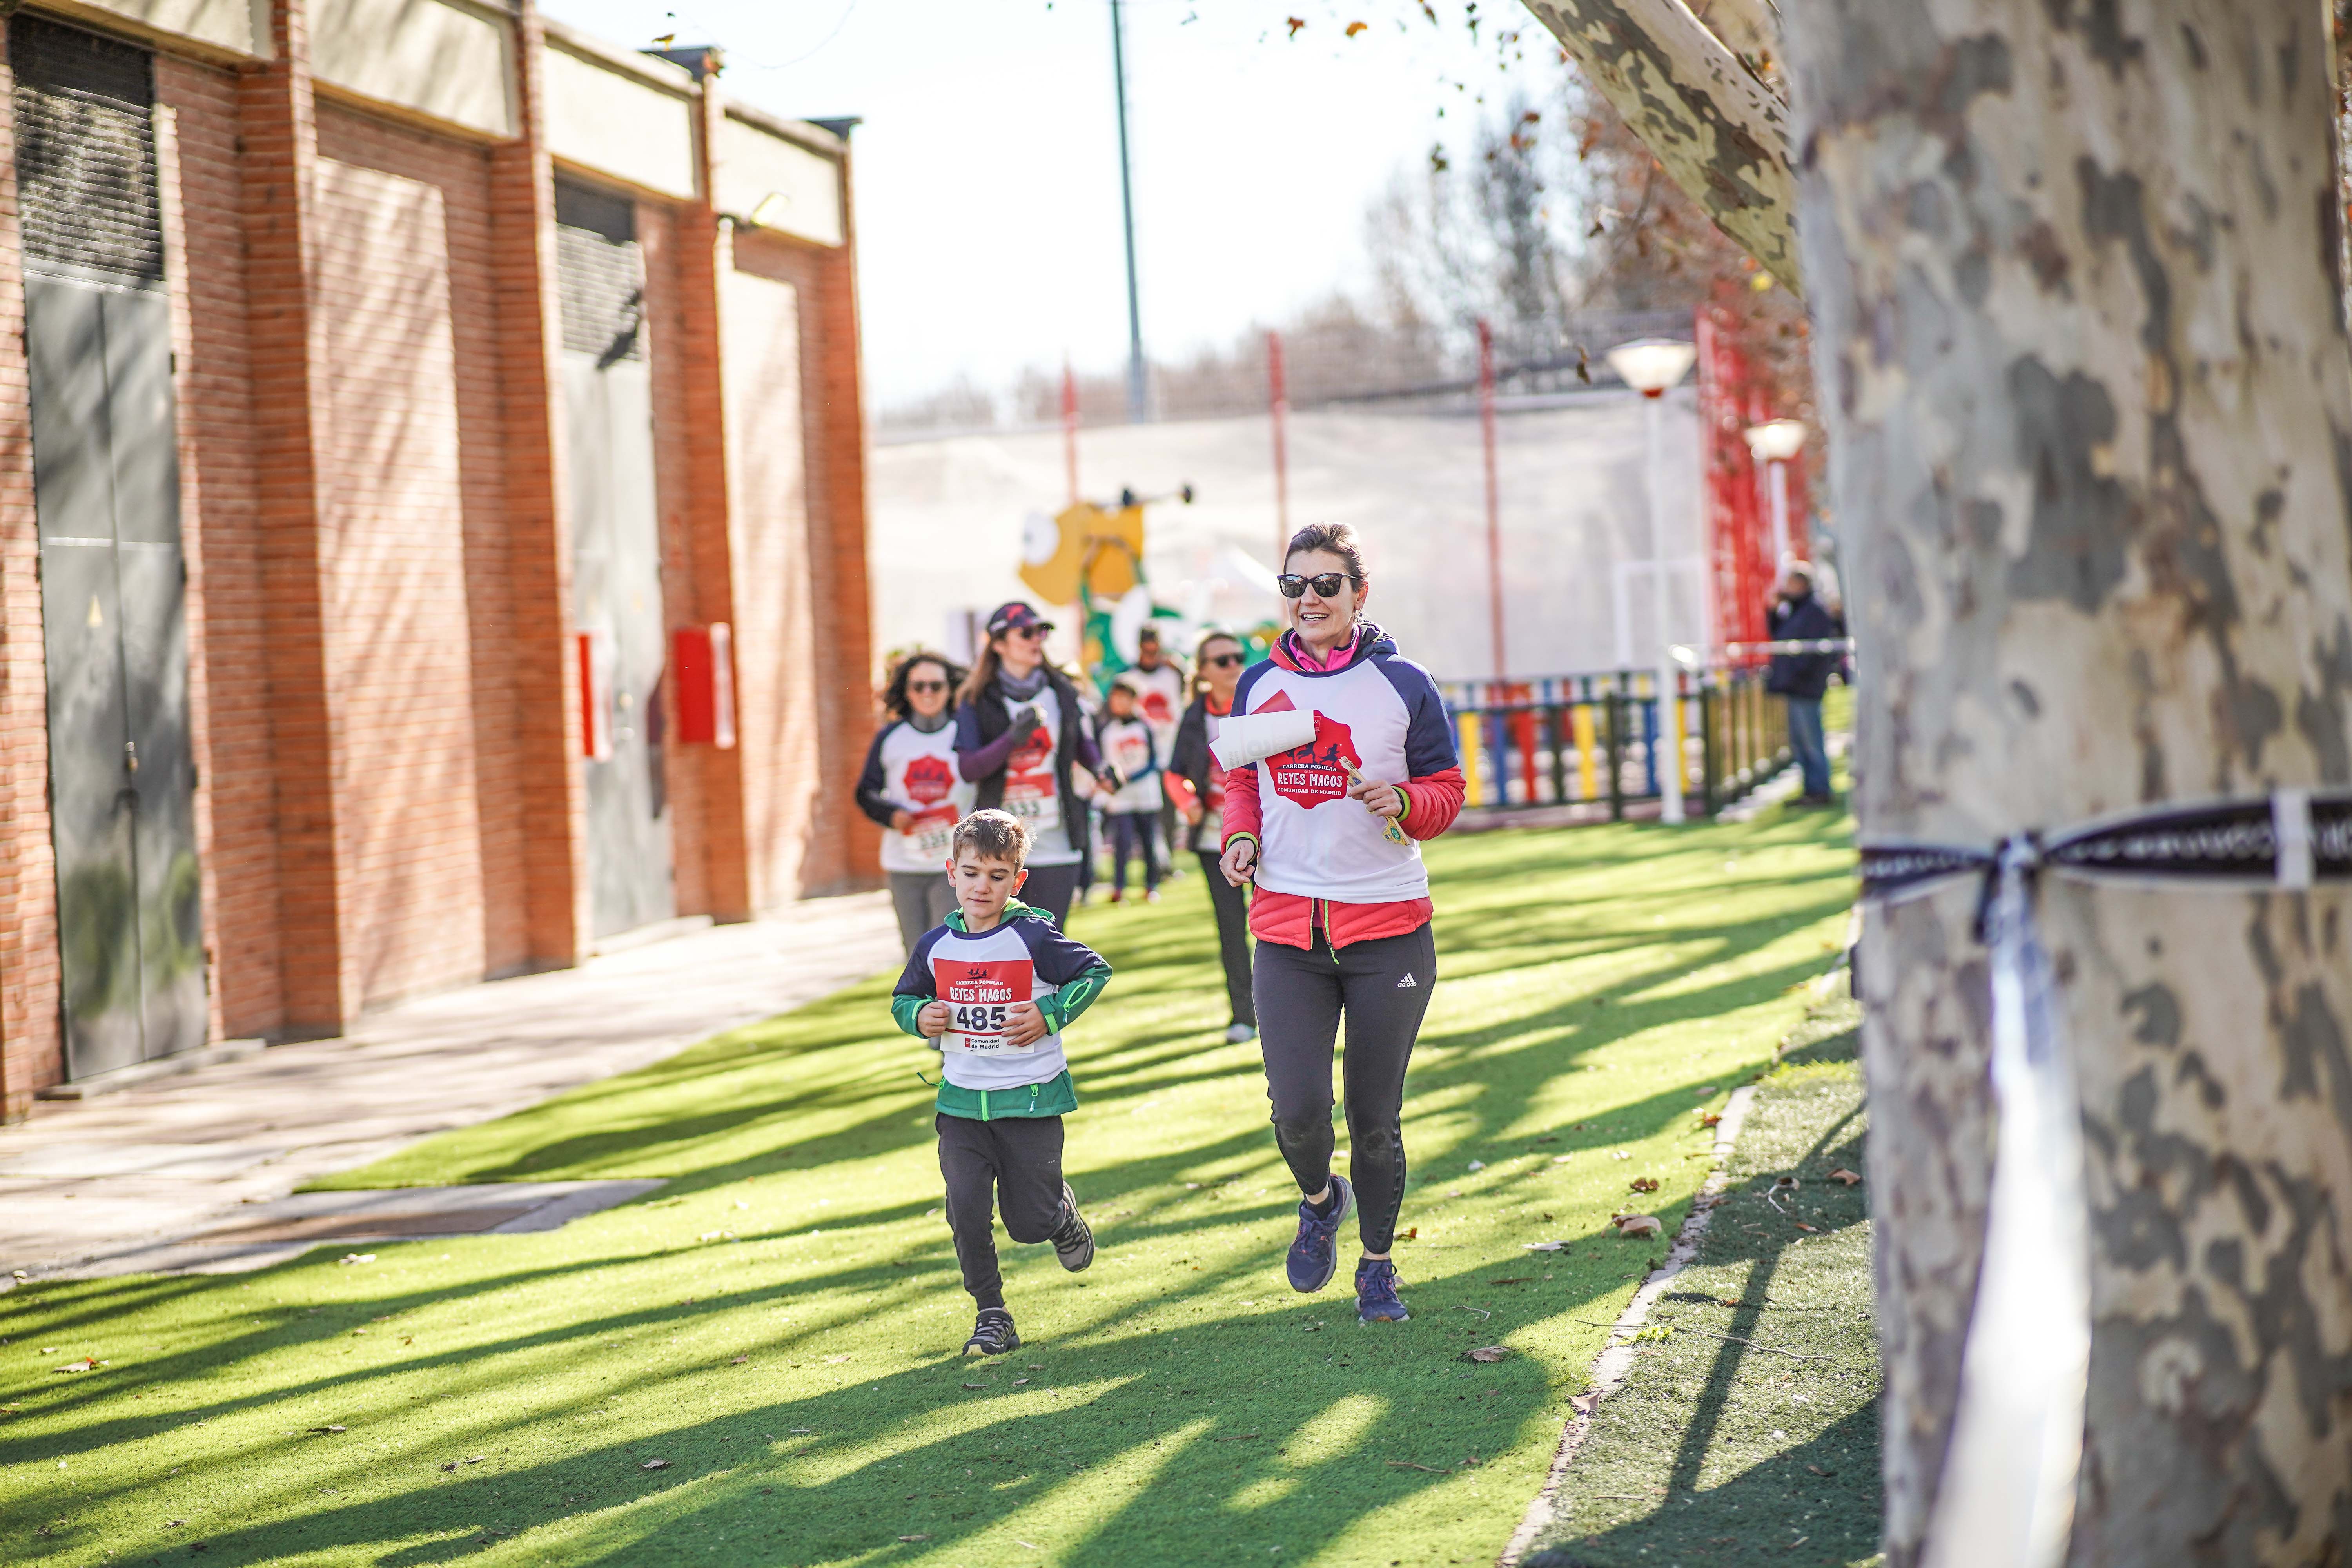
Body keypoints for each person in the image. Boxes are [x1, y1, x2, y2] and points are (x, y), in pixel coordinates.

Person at [1218, 522, 1465, 1325]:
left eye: (1327, 584)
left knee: (1373, 1115)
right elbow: (1243, 783)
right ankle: (1321, 1200)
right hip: (1288, 937)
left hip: (1388, 936)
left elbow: (1448, 790)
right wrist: (1241, 836)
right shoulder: (1257, 684)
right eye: (1296, 585)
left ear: (1360, 593)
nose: (1311, 599)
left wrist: (1405, 800)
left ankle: (1379, 1266)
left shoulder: (1404, 684)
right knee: (1296, 1111)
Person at [891, 810, 1112, 1356]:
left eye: (996, 876)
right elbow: (903, 998)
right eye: (971, 873)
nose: (982, 887)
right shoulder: (935, 945)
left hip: (1031, 1103)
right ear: (951, 873)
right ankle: (992, 1314)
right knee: (965, 1209)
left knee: (1029, 1225)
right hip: (962, 1107)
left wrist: (1049, 1013)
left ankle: (1058, 1215)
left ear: (1018, 879)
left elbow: (1094, 972)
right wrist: (920, 1016)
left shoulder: (1033, 935)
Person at [952, 602, 1110, 927]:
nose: (1036, 639)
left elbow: (1082, 744)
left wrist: (1101, 770)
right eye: (1025, 633)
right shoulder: (976, 699)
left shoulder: (1062, 691)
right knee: (1001, 948)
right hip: (997, 846)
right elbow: (969, 768)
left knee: (1048, 944)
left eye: (1041, 631)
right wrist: (1013, 738)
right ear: (998, 645)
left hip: (1056, 838)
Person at [1165, 629, 1256, 1044]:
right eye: (1222, 660)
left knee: (1285, 925)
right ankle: (1244, 1016)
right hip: (1213, 842)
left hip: (1267, 838)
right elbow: (1175, 774)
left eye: (1238, 656)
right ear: (1202, 672)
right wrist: (1189, 803)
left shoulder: (1260, 703)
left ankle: (1293, 1009)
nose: (1233, 665)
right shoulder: (1196, 715)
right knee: (1231, 929)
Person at [856, 650, 973, 955]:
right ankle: (922, 1005)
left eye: (936, 686)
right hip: (904, 862)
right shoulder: (891, 737)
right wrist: (891, 814)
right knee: (916, 955)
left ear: (950, 689)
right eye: (918, 686)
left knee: (946, 948)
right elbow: (865, 792)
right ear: (906, 692)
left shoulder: (966, 733)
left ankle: (951, 1004)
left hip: (954, 862)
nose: (927, 693)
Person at [1763, 563, 1843, 806]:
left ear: (1802, 584)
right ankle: (1811, 788)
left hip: (1806, 686)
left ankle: (1819, 789)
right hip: (1795, 685)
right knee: (1801, 742)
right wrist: (1773, 611)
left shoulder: (1814, 611)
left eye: (1791, 583)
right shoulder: (1795, 610)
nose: (1786, 588)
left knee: (1811, 739)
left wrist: (1799, 674)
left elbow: (1816, 651)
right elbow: (1778, 637)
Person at [1092, 677, 1163, 902]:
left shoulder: (1145, 727)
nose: (1120, 703)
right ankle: (1119, 888)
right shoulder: (1108, 732)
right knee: (1121, 841)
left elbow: (1154, 761)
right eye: (1116, 698)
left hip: (1146, 793)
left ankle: (1151, 885)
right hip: (1120, 797)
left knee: (1148, 841)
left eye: (1125, 698)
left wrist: (1132, 776)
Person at [1126, 624, 1189, 868]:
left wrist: (1180, 667)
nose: (1152, 652)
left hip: (1170, 751)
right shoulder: (1128, 677)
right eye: (1147, 647)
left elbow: (1189, 690)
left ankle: (1167, 861)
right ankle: (1152, 862)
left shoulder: (1172, 675)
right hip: (1140, 757)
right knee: (1146, 813)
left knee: (1169, 811)